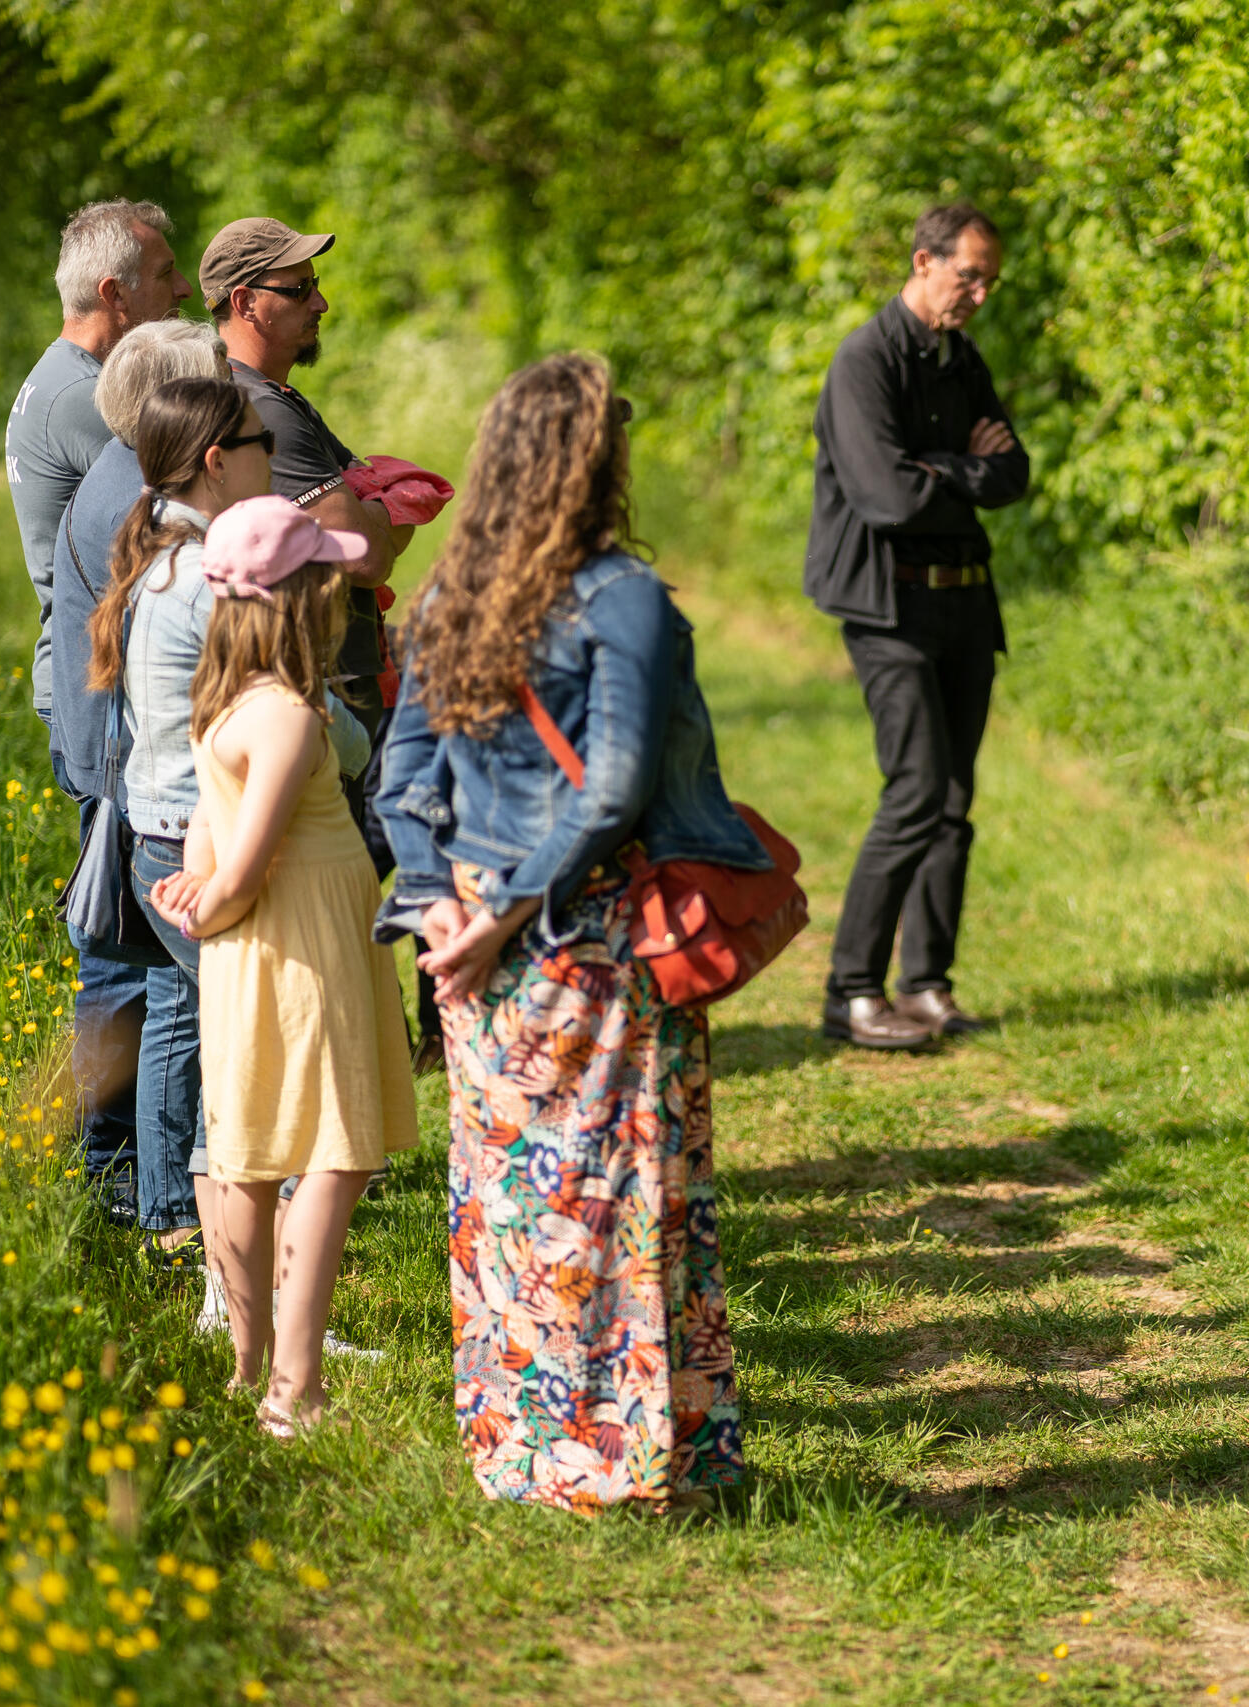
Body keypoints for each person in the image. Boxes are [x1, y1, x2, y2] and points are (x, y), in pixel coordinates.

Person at [375, 353, 764, 1509]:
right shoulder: (618, 597)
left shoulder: (452, 594)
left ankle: (531, 1452)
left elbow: (403, 781)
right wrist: (493, 914)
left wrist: (437, 897)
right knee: (615, 1195)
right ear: (596, 467)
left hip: (479, 951)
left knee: (513, 1207)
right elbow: (614, 790)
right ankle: (632, 1456)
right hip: (583, 941)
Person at [53, 324, 373, 1280]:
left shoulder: (159, 556)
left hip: (163, 824)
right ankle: (235, 1281)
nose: (277, 456)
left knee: (186, 1023)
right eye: (263, 445)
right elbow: (298, 716)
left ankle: (180, 1235)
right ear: (216, 460)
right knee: (239, 1064)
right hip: (211, 830)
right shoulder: (211, 577)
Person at [146, 495, 417, 1437]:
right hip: (303, 950)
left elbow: (205, 840)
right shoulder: (293, 716)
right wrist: (213, 900)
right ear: (299, 601)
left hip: (252, 954)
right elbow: (251, 860)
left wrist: (194, 898)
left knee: (249, 1158)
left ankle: (246, 1368)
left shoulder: (222, 700)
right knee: (332, 1158)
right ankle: (294, 1388)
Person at [202, 214, 445, 1068]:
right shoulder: (261, 408)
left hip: (317, 677)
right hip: (319, 688)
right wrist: (388, 506)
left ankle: (386, 1053)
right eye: (299, 291)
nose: (321, 304)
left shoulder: (271, 398)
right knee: (354, 876)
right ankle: (361, 1072)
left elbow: (358, 518)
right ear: (245, 302)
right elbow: (367, 545)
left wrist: (370, 506)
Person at [804, 200, 1030, 1051]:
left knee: (954, 801)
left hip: (966, 601)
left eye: (989, 281)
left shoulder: (958, 356)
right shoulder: (864, 363)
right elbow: (887, 497)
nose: (977, 293)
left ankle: (926, 985)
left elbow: (1014, 473)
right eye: (968, 274)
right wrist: (963, 469)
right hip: (888, 606)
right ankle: (851, 991)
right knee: (915, 792)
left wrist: (948, 466)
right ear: (924, 261)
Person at [9, 197, 192, 1226]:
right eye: (164, 273)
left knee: (121, 947)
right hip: (102, 706)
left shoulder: (66, 381)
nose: (180, 290)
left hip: (94, 692)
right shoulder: (93, 402)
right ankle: (106, 1176)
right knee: (122, 954)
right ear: (114, 289)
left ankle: (110, 1171)